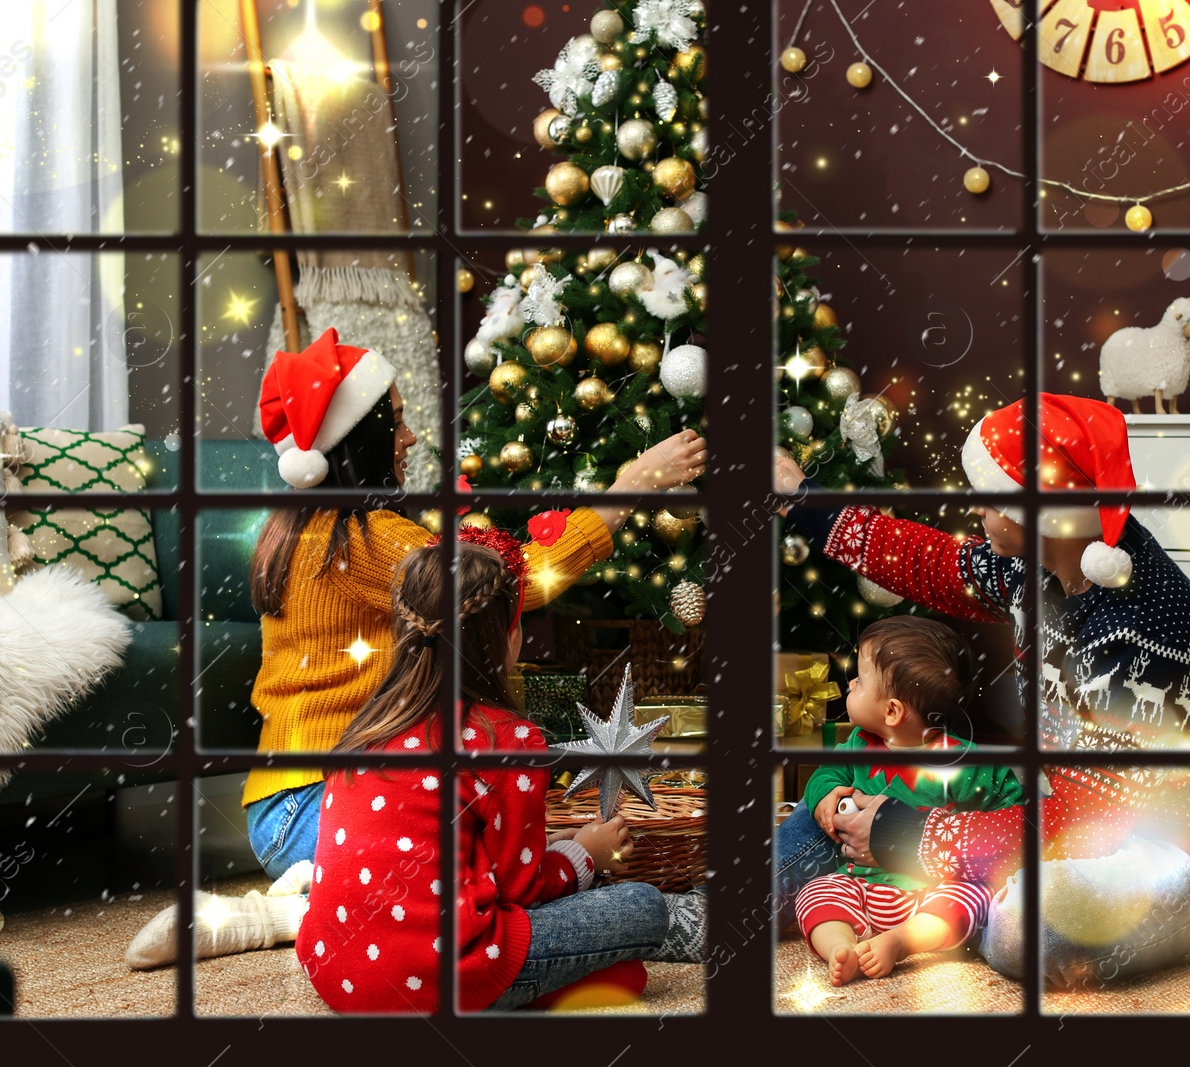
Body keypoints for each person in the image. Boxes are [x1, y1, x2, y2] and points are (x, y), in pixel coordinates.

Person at [773, 394, 1190, 990]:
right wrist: (801, 501)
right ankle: (932, 904)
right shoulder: (1048, 560)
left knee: (1026, 933)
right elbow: (933, 564)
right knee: (823, 815)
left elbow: (1093, 820)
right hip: (1072, 816)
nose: (977, 510)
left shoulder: (1138, 636)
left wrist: (910, 833)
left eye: (991, 498)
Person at [242, 327, 706, 881]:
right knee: (487, 871)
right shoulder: (363, 536)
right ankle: (293, 909)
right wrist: (633, 484)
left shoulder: (302, 526)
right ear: (361, 437)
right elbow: (510, 586)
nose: (410, 438)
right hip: (315, 808)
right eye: (396, 420)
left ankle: (314, 894)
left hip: (286, 803)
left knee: (503, 847)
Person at [295, 537, 669, 1012]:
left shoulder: (365, 731)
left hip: (337, 975)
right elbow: (521, 889)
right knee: (643, 907)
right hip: (442, 974)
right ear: (507, 637)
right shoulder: (506, 740)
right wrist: (584, 855)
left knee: (623, 974)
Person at [793, 617, 1022, 986]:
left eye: (860, 680)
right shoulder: (858, 745)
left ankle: (901, 942)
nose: (850, 684)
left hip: (931, 891)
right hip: (862, 886)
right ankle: (841, 946)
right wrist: (824, 796)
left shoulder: (963, 761)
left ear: (892, 712)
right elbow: (827, 775)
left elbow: (1012, 804)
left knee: (972, 899)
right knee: (816, 892)